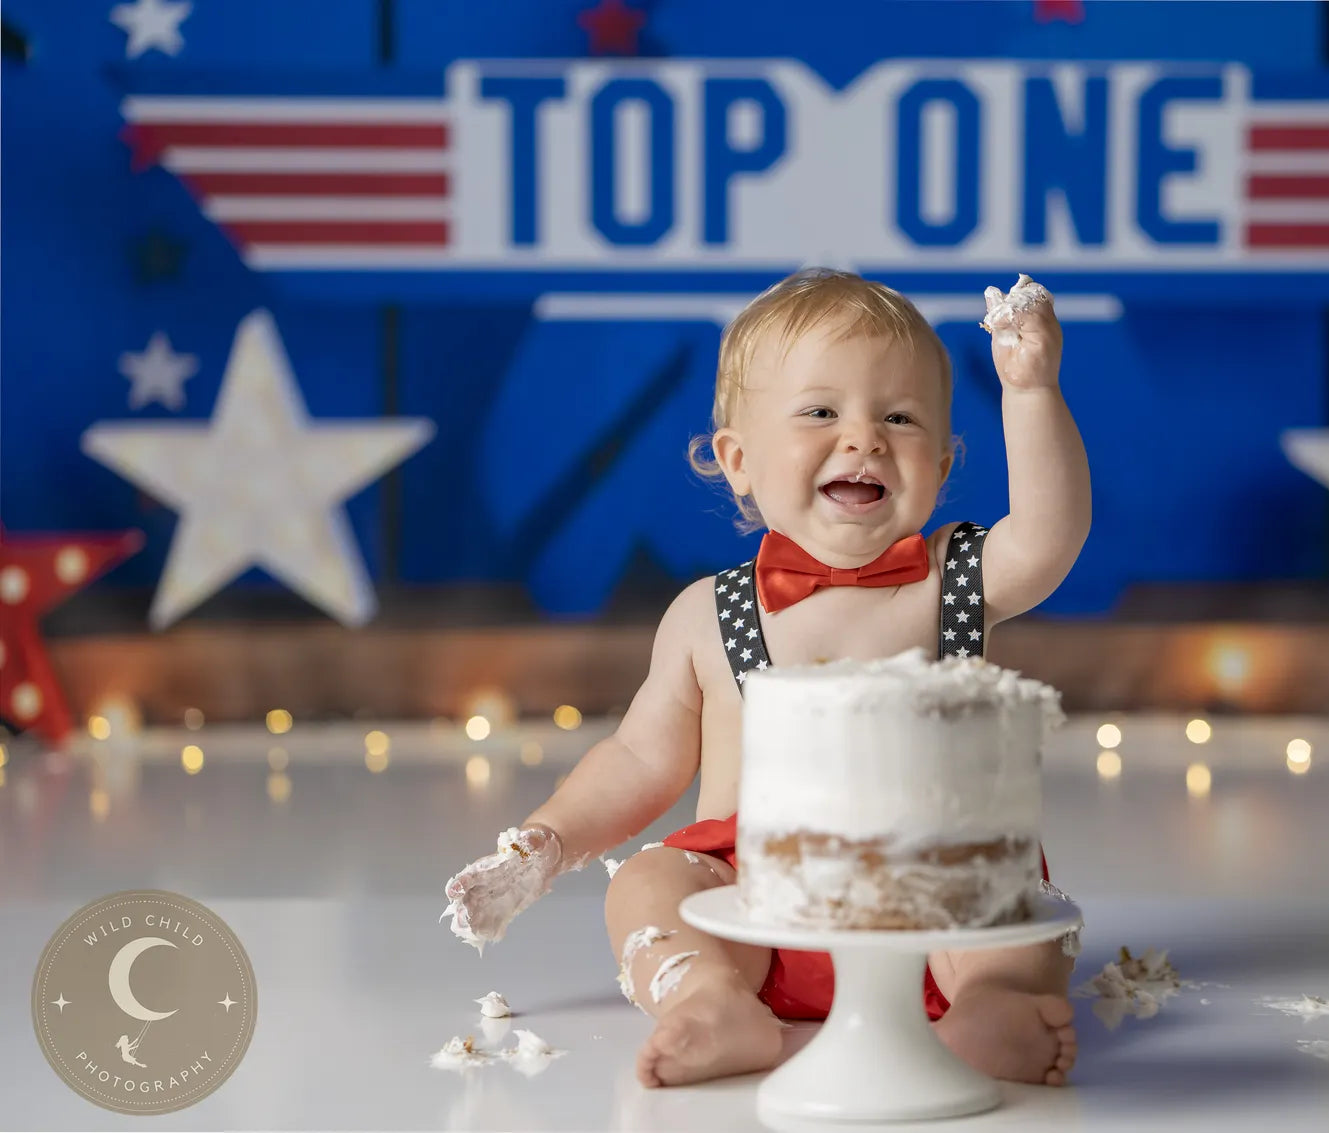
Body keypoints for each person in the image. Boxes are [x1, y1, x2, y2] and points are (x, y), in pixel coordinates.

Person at [443, 269, 1092, 1088]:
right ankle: (712, 998)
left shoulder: (958, 576)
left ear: (943, 460)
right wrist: (545, 843)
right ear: (738, 458)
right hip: (751, 902)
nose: (864, 437)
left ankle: (989, 1003)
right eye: (821, 411)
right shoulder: (706, 614)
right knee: (646, 885)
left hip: (936, 894)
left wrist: (1031, 391)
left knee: (1013, 911)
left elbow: (1050, 534)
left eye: (900, 416)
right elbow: (642, 759)